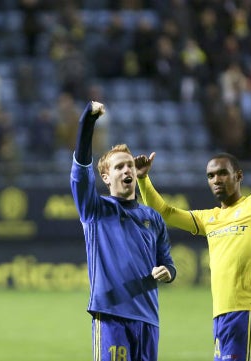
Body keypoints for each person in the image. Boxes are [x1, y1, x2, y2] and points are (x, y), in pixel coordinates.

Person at [135, 131, 251, 361]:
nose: (216, 180)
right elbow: (165, 213)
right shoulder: (209, 218)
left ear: (238, 175)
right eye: (210, 176)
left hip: (248, 312)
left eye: (222, 173)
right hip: (221, 315)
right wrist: (143, 179)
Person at [70, 100, 177, 361]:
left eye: (129, 164)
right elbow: (81, 168)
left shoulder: (153, 218)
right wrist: (88, 120)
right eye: (119, 167)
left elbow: (168, 265)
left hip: (149, 318)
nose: (126, 169)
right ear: (106, 178)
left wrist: (168, 273)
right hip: (111, 316)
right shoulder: (95, 209)